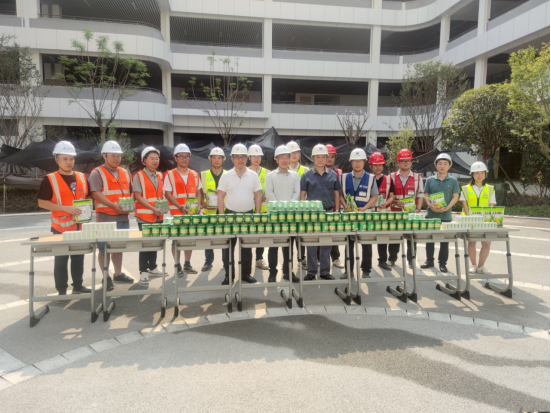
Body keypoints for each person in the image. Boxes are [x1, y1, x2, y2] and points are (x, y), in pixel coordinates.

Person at [37, 141, 92, 303]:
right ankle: (61, 291)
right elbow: (42, 202)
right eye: (65, 159)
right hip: (60, 227)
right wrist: (65, 208)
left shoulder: (82, 177)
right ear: (57, 160)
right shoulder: (50, 179)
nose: (69, 162)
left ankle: (78, 286)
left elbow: (87, 196)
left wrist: (87, 207)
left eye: (71, 159)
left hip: (80, 226)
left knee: (78, 258)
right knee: (61, 260)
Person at [90, 141, 135, 290]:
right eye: (113, 156)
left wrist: (130, 203)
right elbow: (95, 193)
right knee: (104, 248)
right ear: (104, 156)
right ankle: (106, 277)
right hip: (106, 216)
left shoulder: (125, 172)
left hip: (123, 216)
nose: (117, 158)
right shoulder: (97, 172)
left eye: (118, 156)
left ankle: (117, 273)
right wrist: (113, 205)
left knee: (118, 246)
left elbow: (131, 192)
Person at [218, 143, 263, 285]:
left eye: (243, 156)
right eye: (237, 157)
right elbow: (220, 196)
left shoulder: (253, 175)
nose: (240, 159)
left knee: (246, 247)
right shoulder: (226, 176)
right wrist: (221, 216)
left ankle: (245, 274)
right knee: (228, 247)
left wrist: (257, 214)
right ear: (232, 158)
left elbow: (258, 195)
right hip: (230, 215)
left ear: (247, 158)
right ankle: (229, 275)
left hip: (248, 215)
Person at [300, 144, 342, 281]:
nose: (320, 159)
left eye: (323, 157)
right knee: (311, 244)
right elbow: (302, 194)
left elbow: (336, 194)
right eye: (317, 157)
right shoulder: (306, 175)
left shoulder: (333, 175)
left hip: (328, 212)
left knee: (326, 243)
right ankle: (311, 272)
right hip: (312, 214)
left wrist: (336, 211)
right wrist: (304, 212)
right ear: (313, 158)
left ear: (326, 158)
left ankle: (324, 271)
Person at [340, 149, 380, 279]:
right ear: (351, 162)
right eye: (355, 161)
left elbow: (374, 197)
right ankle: (348, 271)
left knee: (366, 244)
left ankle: (366, 270)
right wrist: (345, 206)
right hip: (349, 217)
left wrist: (364, 208)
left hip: (365, 216)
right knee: (348, 244)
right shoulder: (344, 177)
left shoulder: (371, 178)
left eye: (360, 161)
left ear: (364, 162)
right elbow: (340, 195)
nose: (357, 163)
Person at [164, 144, 203, 277]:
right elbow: (167, 194)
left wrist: (199, 205)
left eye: (187, 156)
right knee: (176, 241)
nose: (184, 159)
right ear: (175, 158)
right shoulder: (170, 174)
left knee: (189, 240)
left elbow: (199, 192)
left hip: (191, 214)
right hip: (176, 213)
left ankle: (187, 264)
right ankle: (177, 265)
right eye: (181, 156)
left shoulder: (194, 174)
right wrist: (180, 207)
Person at [265, 145, 301, 283]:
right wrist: (281, 209)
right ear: (276, 159)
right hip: (275, 216)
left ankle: (287, 272)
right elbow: (269, 195)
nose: (285, 160)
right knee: (273, 246)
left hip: (290, 216)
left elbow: (296, 194)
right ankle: (272, 273)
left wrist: (288, 208)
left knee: (288, 246)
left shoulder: (295, 175)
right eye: (282, 157)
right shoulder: (270, 176)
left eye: (287, 157)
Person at [423, 153, 461, 273]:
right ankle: (429, 260)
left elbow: (456, 196)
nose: (442, 166)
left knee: (444, 241)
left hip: (446, 215)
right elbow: (425, 195)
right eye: (440, 163)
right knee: (430, 240)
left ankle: (442, 263)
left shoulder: (453, 180)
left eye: (445, 164)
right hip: (431, 215)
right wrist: (429, 204)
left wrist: (447, 208)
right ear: (436, 165)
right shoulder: (430, 180)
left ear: (449, 166)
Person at [388, 149, 425, 269]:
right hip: (395, 212)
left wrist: (418, 209)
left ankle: (411, 260)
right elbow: (388, 196)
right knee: (394, 237)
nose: (405, 163)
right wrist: (394, 202)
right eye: (403, 161)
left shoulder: (417, 177)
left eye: (408, 161)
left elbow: (420, 195)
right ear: (398, 162)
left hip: (411, 213)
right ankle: (392, 259)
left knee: (412, 237)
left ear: (411, 162)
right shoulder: (391, 177)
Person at [134, 147, 165, 284]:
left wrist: (163, 207)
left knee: (155, 243)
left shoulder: (160, 175)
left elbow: (161, 195)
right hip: (144, 216)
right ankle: (143, 271)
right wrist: (153, 208)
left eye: (157, 158)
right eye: (151, 158)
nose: (155, 161)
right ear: (144, 160)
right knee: (145, 245)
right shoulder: (138, 176)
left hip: (158, 215)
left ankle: (152, 267)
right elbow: (138, 196)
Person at [460, 161, 496, 275]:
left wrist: (487, 217)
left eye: (482, 173)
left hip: (485, 221)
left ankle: (481, 267)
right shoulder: (465, 188)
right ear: (472, 174)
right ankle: (474, 265)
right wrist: (469, 218)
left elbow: (491, 204)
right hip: (470, 220)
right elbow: (464, 204)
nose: (479, 175)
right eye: (477, 173)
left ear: (485, 174)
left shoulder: (490, 188)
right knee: (472, 243)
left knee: (487, 243)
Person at [368, 152, 396, 272]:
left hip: (383, 212)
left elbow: (392, 196)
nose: (378, 167)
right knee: (367, 238)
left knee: (383, 237)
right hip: (369, 212)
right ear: (371, 166)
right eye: (375, 165)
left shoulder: (389, 179)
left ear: (383, 165)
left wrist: (387, 202)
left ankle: (382, 260)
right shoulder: (367, 178)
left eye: (380, 164)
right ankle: (367, 263)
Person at [200, 147, 227, 272]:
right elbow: (200, 192)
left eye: (219, 158)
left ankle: (226, 261)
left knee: (225, 237)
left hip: (224, 210)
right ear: (210, 159)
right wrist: (202, 203)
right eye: (214, 158)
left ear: (223, 159)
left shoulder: (228, 174)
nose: (216, 160)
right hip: (209, 210)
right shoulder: (203, 174)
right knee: (208, 237)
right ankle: (208, 261)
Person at [287, 141, 310, 271]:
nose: (294, 155)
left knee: (301, 235)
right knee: (288, 236)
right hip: (287, 208)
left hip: (301, 208)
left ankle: (302, 259)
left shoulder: (306, 170)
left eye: (296, 152)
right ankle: (288, 260)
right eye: (291, 153)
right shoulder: (284, 169)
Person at [248, 144, 269, 271]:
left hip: (263, 209)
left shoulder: (267, 172)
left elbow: (271, 188)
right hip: (249, 208)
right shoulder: (245, 172)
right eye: (254, 156)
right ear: (249, 157)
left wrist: (267, 195)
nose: (256, 159)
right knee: (249, 235)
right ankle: (247, 259)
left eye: (259, 156)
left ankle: (259, 258)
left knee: (261, 234)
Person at [325, 144, 345, 270]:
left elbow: (340, 192)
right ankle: (319, 258)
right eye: (328, 156)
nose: (330, 159)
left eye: (332, 157)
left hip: (335, 208)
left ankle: (336, 258)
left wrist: (340, 208)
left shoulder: (339, 173)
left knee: (333, 233)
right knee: (320, 233)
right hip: (322, 208)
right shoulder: (317, 171)